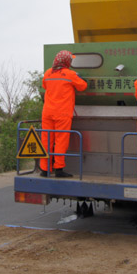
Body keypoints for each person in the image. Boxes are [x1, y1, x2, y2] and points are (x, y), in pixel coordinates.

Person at [40, 50, 87, 178]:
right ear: (67, 61)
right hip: (62, 113)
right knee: (61, 140)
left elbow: (44, 85)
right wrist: (79, 77)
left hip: (47, 112)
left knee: (46, 139)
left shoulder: (48, 73)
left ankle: (45, 169)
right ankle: (59, 169)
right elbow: (83, 86)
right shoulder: (70, 74)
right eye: (70, 60)